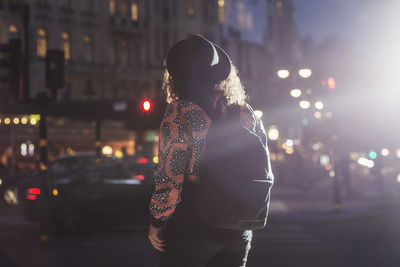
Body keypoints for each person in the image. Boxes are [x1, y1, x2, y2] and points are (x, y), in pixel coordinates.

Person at [148, 34, 269, 267]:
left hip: (195, 227)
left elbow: (170, 176)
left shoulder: (180, 112)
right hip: (239, 228)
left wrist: (157, 222)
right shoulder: (244, 111)